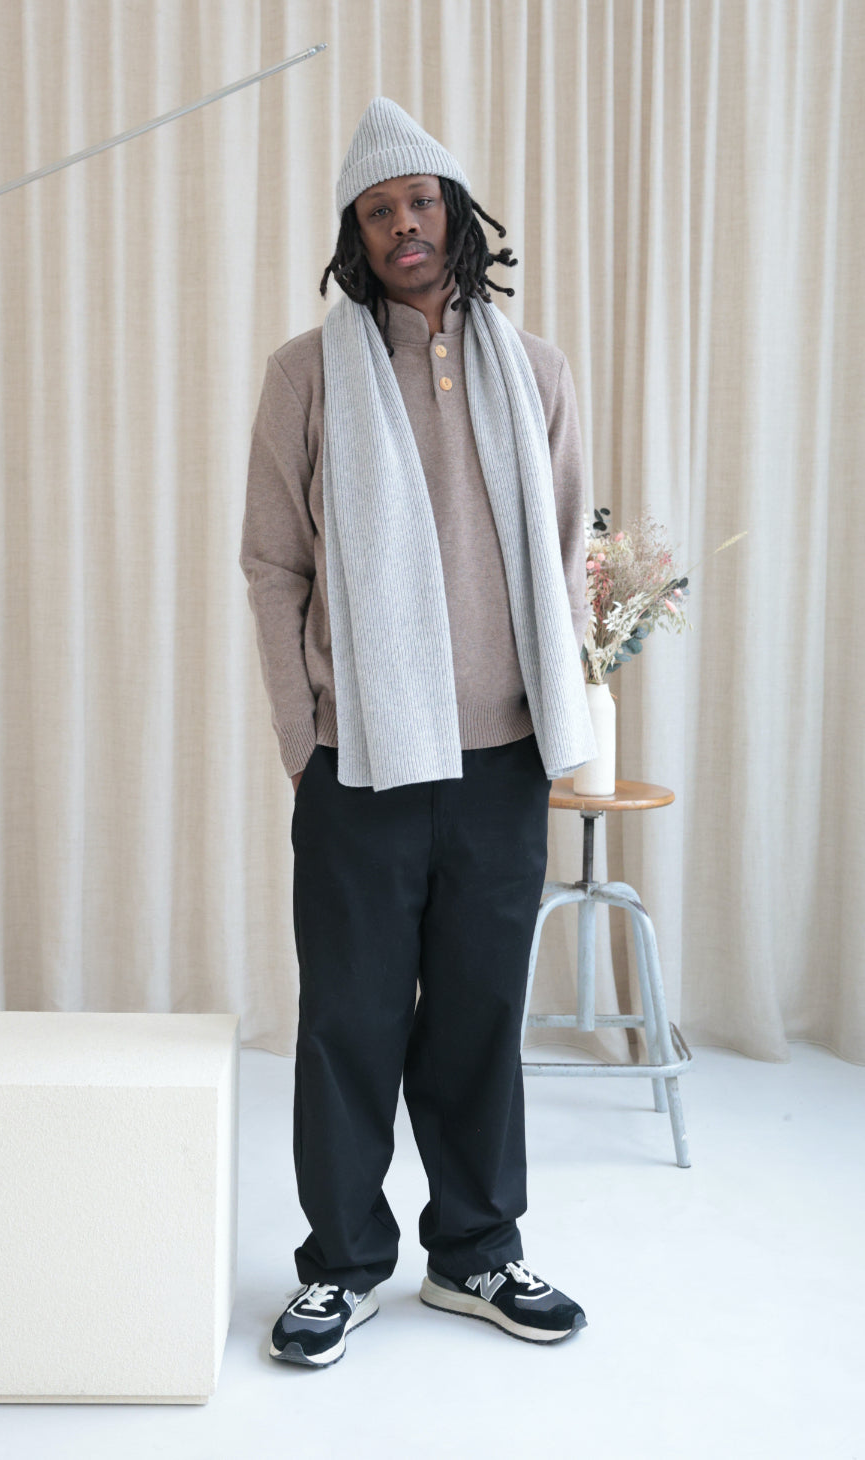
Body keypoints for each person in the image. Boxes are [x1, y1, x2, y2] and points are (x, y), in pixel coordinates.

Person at [240, 97, 596, 1369]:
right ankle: (338, 1265)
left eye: (422, 201)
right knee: (348, 1018)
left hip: (501, 757)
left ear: (457, 213)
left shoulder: (535, 369)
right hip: (362, 762)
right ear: (356, 234)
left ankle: (477, 1250)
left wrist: (560, 716)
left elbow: (567, 549)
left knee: (481, 1013)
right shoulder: (306, 373)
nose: (405, 225)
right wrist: (304, 739)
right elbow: (273, 564)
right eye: (380, 209)